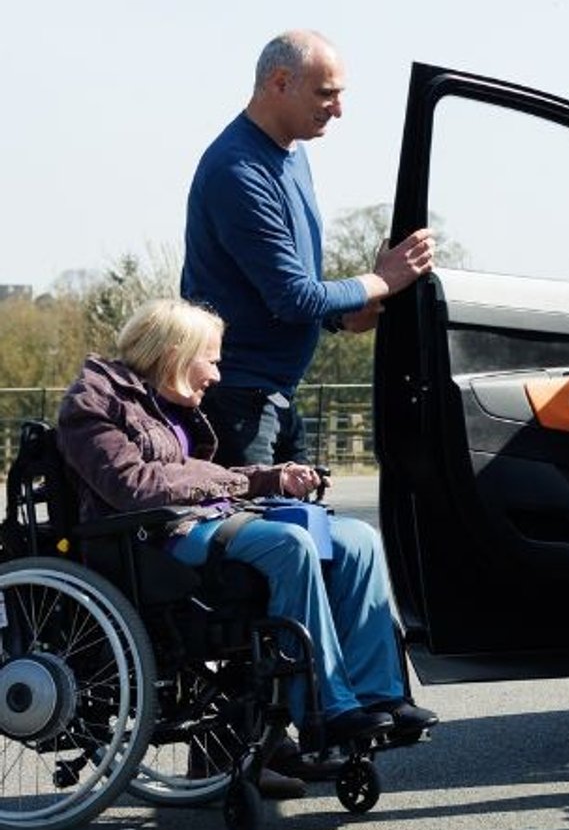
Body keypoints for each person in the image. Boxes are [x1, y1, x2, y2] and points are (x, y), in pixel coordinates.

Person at [55, 298, 438, 768]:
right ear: (177, 350)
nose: (216, 375)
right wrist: (238, 482)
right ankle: (326, 710)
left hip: (202, 522)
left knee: (358, 539)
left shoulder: (166, 404)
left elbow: (198, 474)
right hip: (151, 541)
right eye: (211, 360)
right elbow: (134, 486)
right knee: (288, 545)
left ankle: (380, 696)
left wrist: (273, 478)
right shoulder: (93, 402)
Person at [181, 28, 436, 466]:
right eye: (326, 94)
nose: (338, 110)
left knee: (302, 523)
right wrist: (382, 279)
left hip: (274, 394)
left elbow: (283, 289)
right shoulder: (238, 170)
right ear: (280, 83)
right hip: (237, 399)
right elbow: (293, 296)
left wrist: (341, 315)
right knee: (262, 534)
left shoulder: (292, 154)